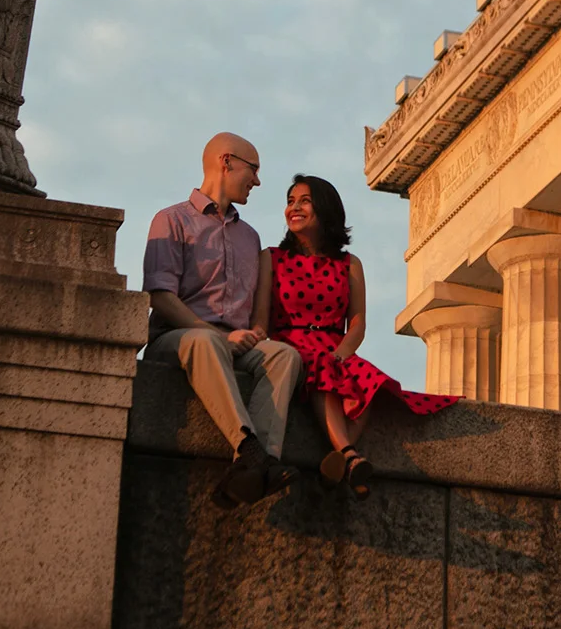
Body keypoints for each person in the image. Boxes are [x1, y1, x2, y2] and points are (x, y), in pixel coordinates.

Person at [255, 174, 457, 497]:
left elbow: (358, 324)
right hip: (289, 347)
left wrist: (340, 355)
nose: (294, 207)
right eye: (291, 201)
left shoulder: (350, 264)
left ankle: (338, 462)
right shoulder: (271, 258)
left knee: (372, 382)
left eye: (304, 201)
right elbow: (260, 321)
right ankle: (350, 456)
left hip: (336, 348)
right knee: (321, 368)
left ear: (325, 208)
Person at [143, 132, 302, 508]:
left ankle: (253, 467)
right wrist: (216, 334)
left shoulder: (250, 237)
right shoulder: (171, 220)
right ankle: (248, 448)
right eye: (254, 169)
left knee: (284, 355)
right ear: (226, 162)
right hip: (180, 339)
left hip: (233, 346)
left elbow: (253, 318)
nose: (258, 181)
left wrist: (254, 334)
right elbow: (161, 297)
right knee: (207, 341)